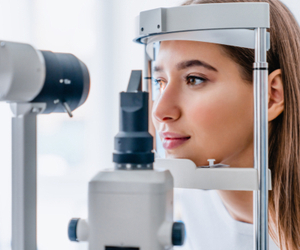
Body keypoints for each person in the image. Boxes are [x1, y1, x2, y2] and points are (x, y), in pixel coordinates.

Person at [151, 0, 300, 249]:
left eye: (194, 79)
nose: (160, 111)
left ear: (271, 95)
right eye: (160, 82)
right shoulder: (189, 209)